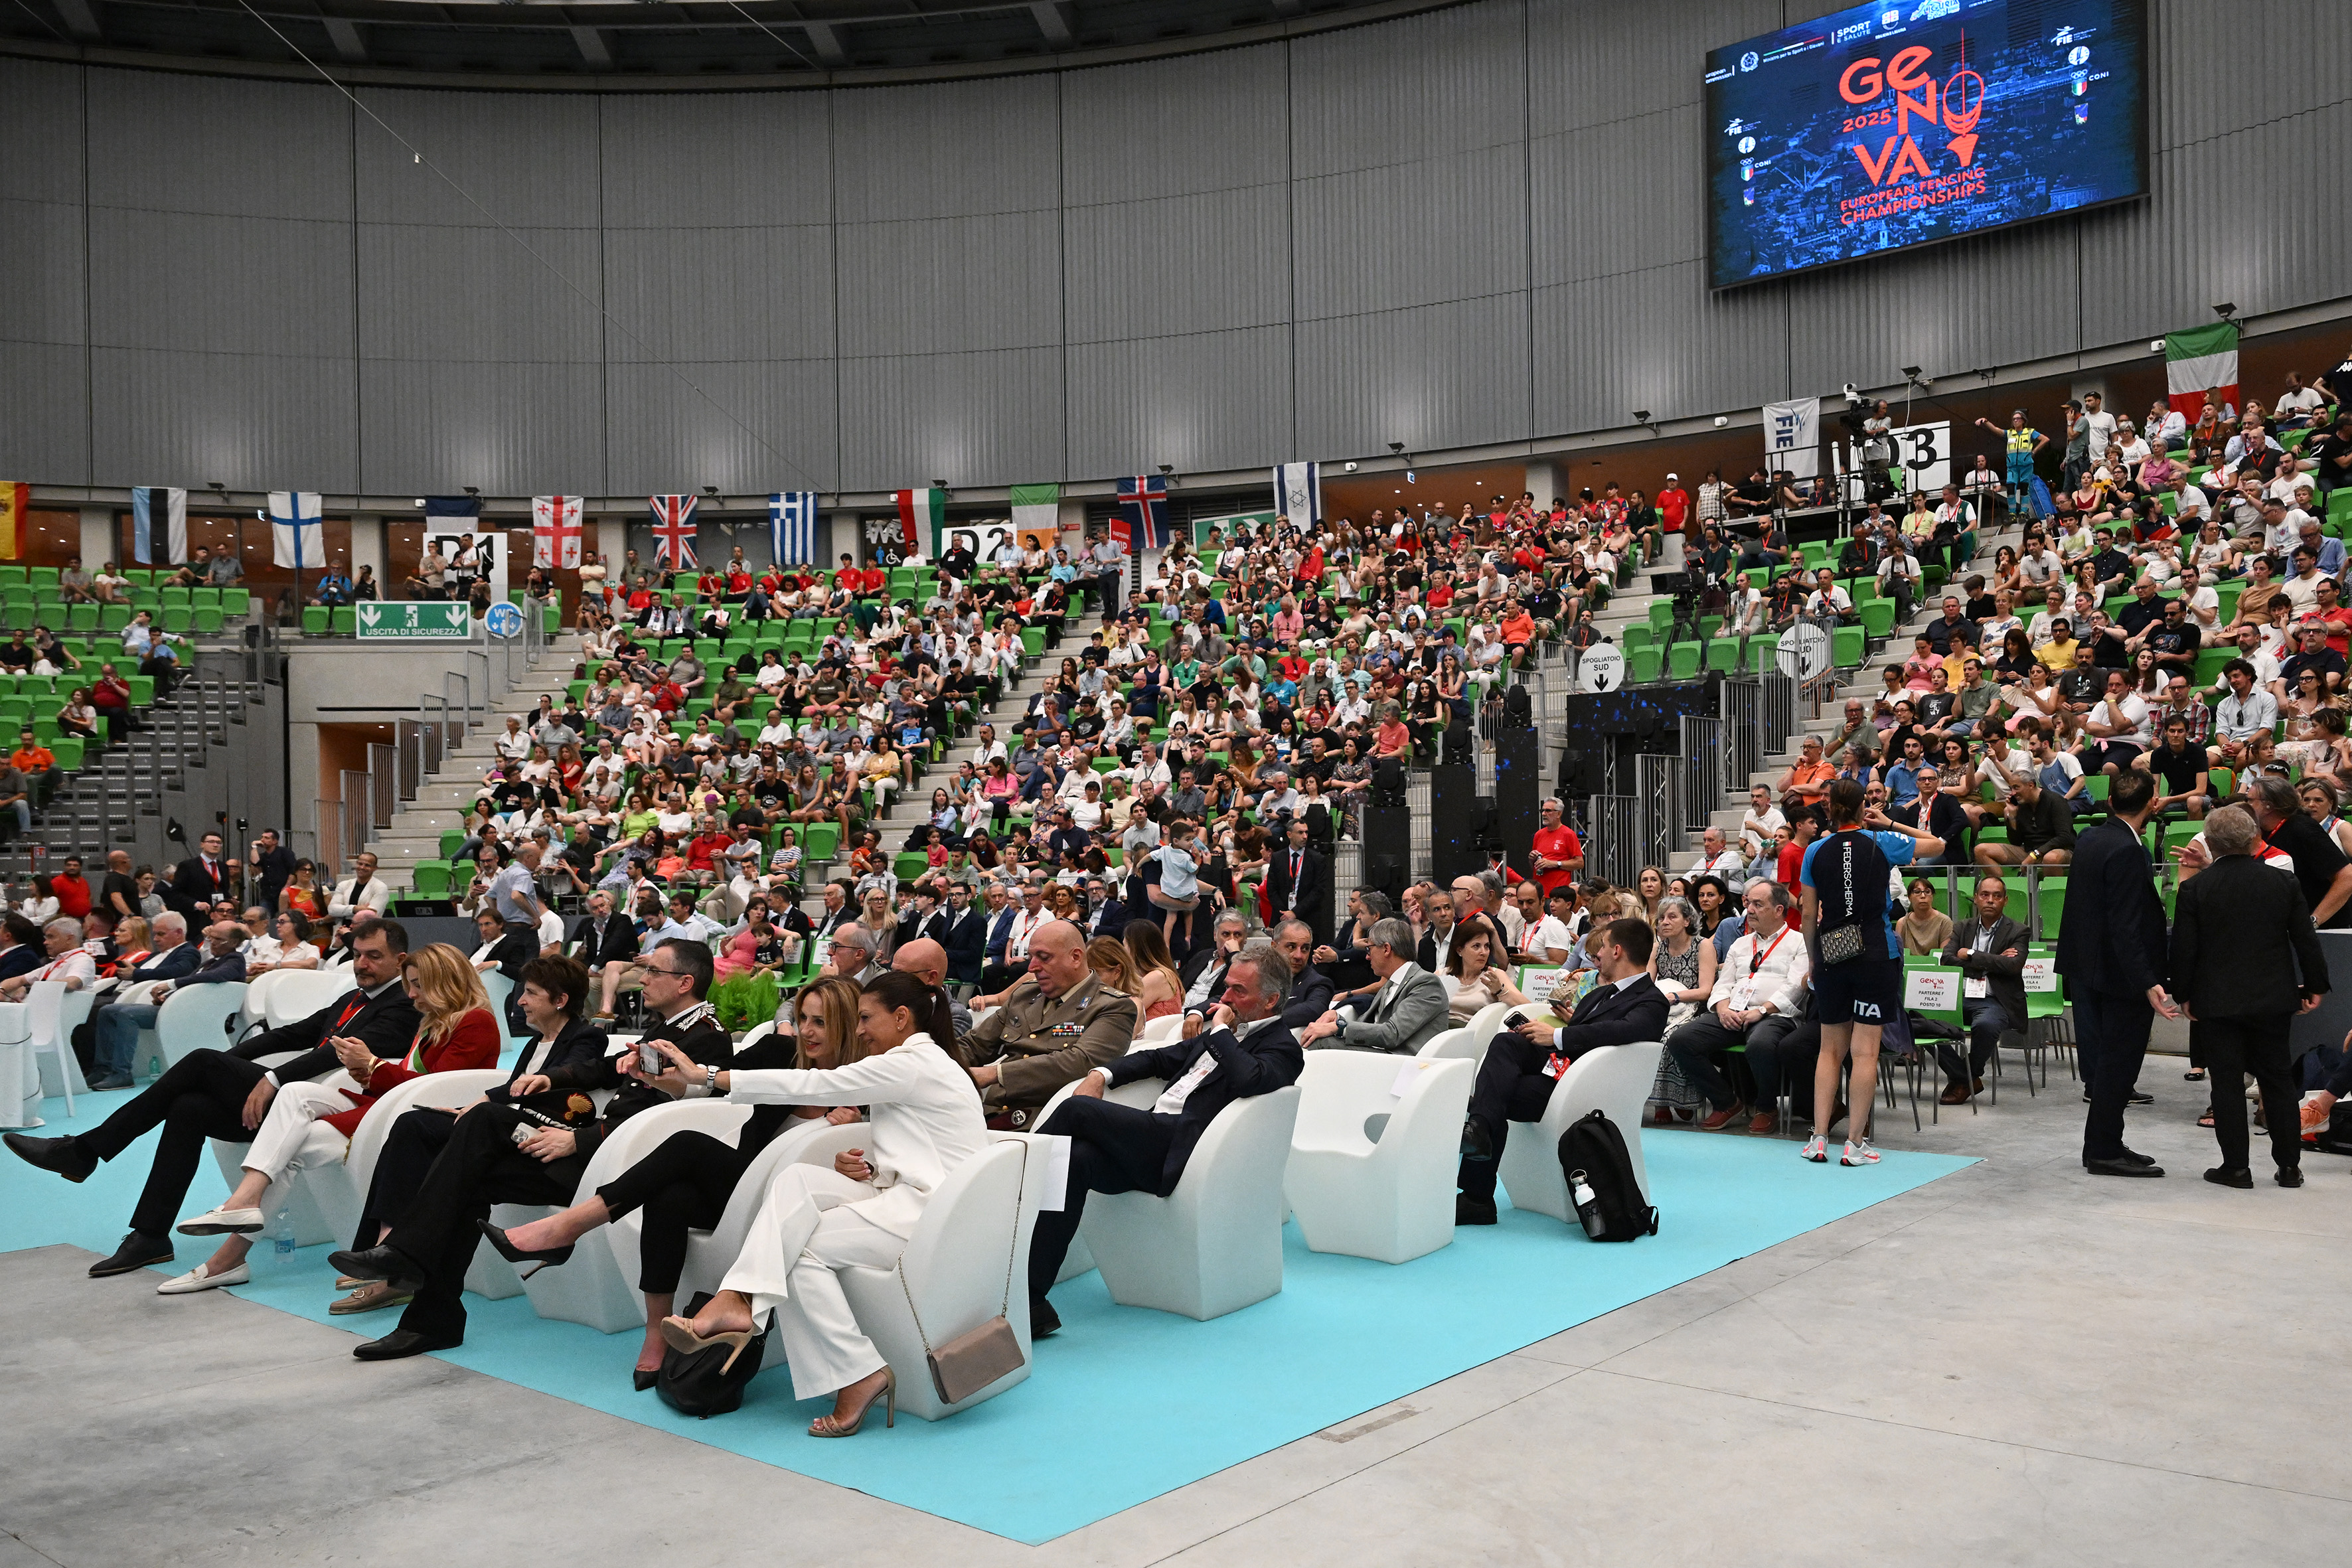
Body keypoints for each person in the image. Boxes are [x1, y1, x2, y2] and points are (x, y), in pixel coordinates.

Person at [331, 939, 731, 1358]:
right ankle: (430, 1321)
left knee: (482, 1121)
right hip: (592, 1152)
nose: (643, 980)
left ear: (685, 982)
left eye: (654, 972)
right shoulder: (668, 1028)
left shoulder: (704, 1039)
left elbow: (671, 1126)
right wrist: (551, 1079)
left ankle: (404, 1251)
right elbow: (605, 1068)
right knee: (466, 1180)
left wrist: (579, 1138)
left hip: (621, 1170)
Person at [487, 975, 867, 1387]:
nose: (807, 1032)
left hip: (787, 1207)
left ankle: (568, 1228)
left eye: (821, 1023)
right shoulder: (780, 1052)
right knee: (670, 1195)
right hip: (738, 1187)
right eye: (804, 1019)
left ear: (847, 1026)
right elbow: (720, 1079)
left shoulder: (867, 1087)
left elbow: (869, 1165)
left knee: (687, 1145)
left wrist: (833, 1134)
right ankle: (657, 1332)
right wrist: (670, 1083)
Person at [647, 971, 982, 1437]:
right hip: (909, 1197)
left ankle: (855, 1371)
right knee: (797, 1179)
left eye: (866, 1018)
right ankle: (737, 1299)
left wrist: (705, 1075)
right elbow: (930, 1150)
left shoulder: (912, 1063)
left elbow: (812, 1086)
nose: (859, 1028)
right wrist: (872, 1170)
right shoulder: (921, 1062)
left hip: (931, 1216)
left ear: (901, 1018)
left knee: (800, 1252)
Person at [5, 919, 420, 1279]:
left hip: (325, 1106)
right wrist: (230, 1063)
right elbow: (291, 1034)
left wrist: (270, 1078)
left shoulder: (403, 1007)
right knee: (189, 1107)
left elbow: (332, 1053)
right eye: (359, 955)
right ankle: (150, 1234)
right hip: (295, 1096)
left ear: (400, 961)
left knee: (202, 1063)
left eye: (375, 957)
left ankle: (86, 1150)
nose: (363, 964)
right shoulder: (353, 998)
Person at [153, 945, 500, 1295]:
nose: (411, 994)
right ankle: (242, 1206)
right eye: (410, 985)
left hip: (411, 1117)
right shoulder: (435, 1021)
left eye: (418, 986)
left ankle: (229, 1251)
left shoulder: (475, 1021)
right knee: (295, 1093)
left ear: (445, 982)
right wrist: (365, 1069)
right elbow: (413, 1079)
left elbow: (434, 1088)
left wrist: (374, 1066)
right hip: (388, 1106)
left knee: (289, 1149)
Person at [1028, 943, 1303, 1332]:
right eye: (1226, 987)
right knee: (1073, 1161)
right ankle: (1031, 1298)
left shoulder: (1283, 1048)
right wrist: (1101, 1075)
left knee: (1078, 1112)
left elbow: (1249, 1079)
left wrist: (1222, 1029)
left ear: (1272, 1000)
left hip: (1183, 1151)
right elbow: (1158, 1058)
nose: (1225, 998)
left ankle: (1008, 1188)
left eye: (1239, 991)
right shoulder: (1222, 1034)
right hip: (1152, 1138)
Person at [336, 953, 610, 1316]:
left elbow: (583, 1071)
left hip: (545, 1139)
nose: (520, 1002)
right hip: (510, 1130)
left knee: (473, 1126)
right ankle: (383, 1244)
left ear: (560, 1001)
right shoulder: (534, 1043)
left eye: (530, 993)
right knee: (412, 1126)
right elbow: (512, 1089)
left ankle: (396, 1260)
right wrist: (476, 1102)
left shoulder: (586, 1037)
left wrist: (498, 1103)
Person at [1455, 917, 1668, 1223]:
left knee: (1489, 1099)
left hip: (1586, 1087)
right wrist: (1554, 1032)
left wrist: (1556, 1035)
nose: (1597, 955)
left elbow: (1623, 1031)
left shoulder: (1652, 1000)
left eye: (1603, 947)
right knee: (1505, 1043)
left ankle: (1477, 1194)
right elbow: (1595, 1032)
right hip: (1561, 1072)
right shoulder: (1597, 994)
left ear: (1618, 951)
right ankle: (1478, 1134)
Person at [2169, 804, 2328, 1188]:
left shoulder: (2195, 888)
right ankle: (2289, 1166)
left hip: (2217, 1000)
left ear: (2208, 841)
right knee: (2278, 1081)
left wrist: (2183, 994)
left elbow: (2184, 949)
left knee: (2225, 1083)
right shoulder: (2284, 884)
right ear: (2254, 838)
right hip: (2273, 997)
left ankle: (2236, 1167)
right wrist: (2316, 985)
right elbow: (2305, 941)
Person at [1800, 779, 1940, 1166]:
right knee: (1865, 1053)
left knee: (1830, 1051)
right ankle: (1856, 1144)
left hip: (1831, 955)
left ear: (1829, 810)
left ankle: (1819, 1139)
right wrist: (1890, 824)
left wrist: (1814, 959)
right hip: (1877, 955)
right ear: (1865, 808)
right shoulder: (1881, 842)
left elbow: (1809, 914)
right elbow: (1937, 845)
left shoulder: (1814, 850)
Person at [2055, 769, 2179, 1177]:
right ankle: (2104, 1149)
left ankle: (2106, 1142)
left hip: (2088, 969)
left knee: (2108, 1063)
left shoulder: (2093, 836)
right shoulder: (2126, 849)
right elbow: (2125, 924)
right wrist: (2148, 982)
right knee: (2118, 1065)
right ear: (2153, 804)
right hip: (2118, 975)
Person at [961, 917, 1139, 1127]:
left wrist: (994, 1073)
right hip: (989, 1111)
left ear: (1075, 957)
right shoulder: (1024, 995)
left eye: (1044, 958)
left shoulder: (1113, 1006)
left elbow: (1079, 1062)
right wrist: (931, 1059)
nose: (1033, 967)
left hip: (1046, 1120)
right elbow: (975, 1045)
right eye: (1031, 957)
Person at [1664, 880, 1810, 1135]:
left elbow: (1795, 987)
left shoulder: (1798, 942)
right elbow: (1724, 984)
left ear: (1778, 910)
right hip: (1733, 1012)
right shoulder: (1741, 944)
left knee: (1760, 1045)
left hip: (1775, 1015)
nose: (1749, 909)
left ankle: (1766, 1107)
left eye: (1757, 904)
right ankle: (1727, 1102)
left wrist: (1762, 1010)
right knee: (1681, 1040)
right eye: (1748, 903)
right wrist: (1722, 1008)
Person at [1935, 876, 2029, 1106]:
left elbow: (2013, 966)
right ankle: (1968, 1079)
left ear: (2005, 901)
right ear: (1976, 898)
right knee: (1922, 1022)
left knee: (1985, 1025)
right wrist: (1994, 961)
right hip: (1959, 997)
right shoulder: (1961, 928)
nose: (1990, 900)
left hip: (1994, 1000)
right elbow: (1946, 960)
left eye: (1997, 896)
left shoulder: (2019, 931)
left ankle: (1964, 1079)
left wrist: (1970, 955)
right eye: (1985, 895)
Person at [1297, 916, 1450, 1055]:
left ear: (1386, 949)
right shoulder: (1394, 981)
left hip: (1405, 1063)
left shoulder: (1426, 983)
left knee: (1322, 1044)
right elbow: (1371, 1022)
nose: (1367, 956)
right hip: (1384, 1054)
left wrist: (1340, 1027)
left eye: (1369, 949)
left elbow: (1392, 1033)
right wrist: (1338, 1018)